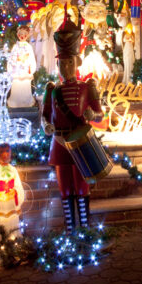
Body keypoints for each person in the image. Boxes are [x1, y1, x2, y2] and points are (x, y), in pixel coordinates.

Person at [41, 17, 104, 230]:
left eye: (70, 62)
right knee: (65, 188)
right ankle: (70, 229)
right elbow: (45, 115)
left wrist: (91, 114)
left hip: (81, 143)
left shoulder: (87, 87)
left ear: (76, 62)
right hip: (59, 142)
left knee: (81, 186)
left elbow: (100, 114)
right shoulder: (52, 89)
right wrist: (46, 126)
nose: (66, 67)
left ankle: (84, 228)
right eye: (62, 62)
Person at [0, 143, 25, 238]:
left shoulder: (13, 170)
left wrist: (15, 191)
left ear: (11, 155)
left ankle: (15, 242)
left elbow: (18, 187)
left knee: (13, 227)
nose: (5, 154)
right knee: (0, 228)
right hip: (0, 206)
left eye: (7, 151)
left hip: (11, 204)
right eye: (1, 152)